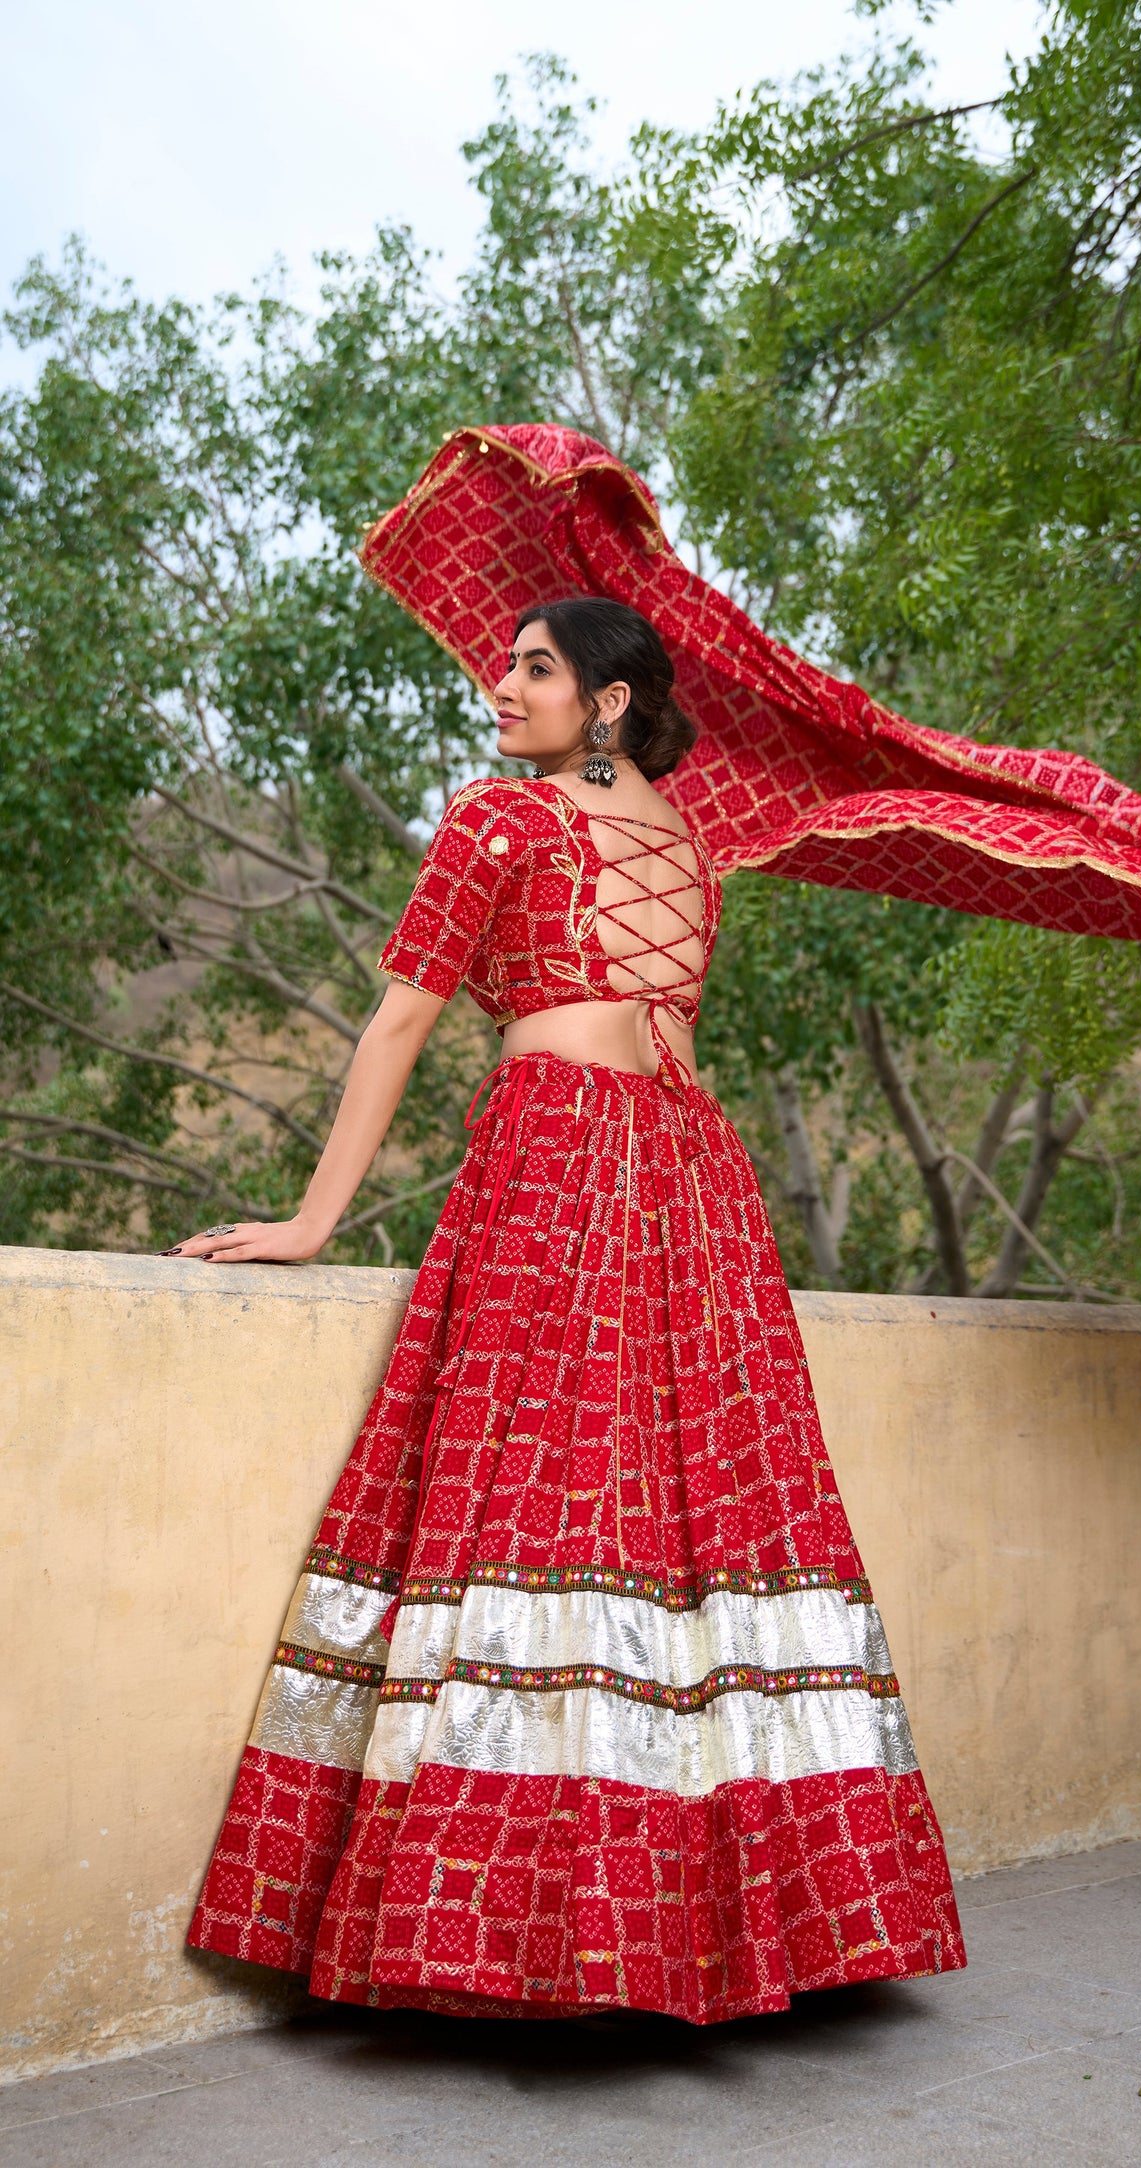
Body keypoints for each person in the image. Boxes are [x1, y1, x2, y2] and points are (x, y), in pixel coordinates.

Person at [180, 596, 965, 2023]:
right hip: (695, 1184)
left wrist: (311, 1221)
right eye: (507, 661)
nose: (502, 683)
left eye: (534, 666)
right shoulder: (690, 848)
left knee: (530, 1500)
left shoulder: (502, 819)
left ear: (606, 702)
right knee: (694, 1530)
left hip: (561, 1157)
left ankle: (517, 1935)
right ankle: (718, 1932)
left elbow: (405, 1020)